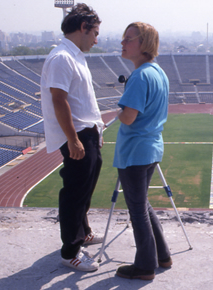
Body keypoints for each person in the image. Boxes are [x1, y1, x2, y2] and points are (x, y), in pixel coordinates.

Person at [40, 3, 104, 272]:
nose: (96, 39)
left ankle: (83, 232)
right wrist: (73, 140)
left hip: (87, 131)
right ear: (83, 28)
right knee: (75, 194)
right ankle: (70, 252)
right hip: (76, 134)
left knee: (86, 189)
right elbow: (59, 100)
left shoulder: (75, 56)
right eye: (95, 32)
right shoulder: (62, 58)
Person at [113, 21, 171, 280]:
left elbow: (128, 118)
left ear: (143, 44)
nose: (123, 43)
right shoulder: (159, 72)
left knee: (137, 210)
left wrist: (118, 111)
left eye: (128, 39)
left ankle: (145, 266)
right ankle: (162, 255)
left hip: (135, 151)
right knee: (143, 205)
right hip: (151, 148)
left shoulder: (139, 76)